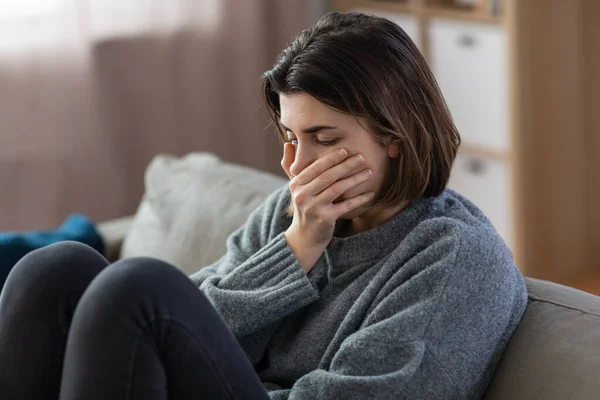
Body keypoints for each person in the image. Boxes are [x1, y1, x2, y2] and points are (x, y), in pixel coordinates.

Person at [0, 12, 527, 400]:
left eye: (323, 137)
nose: (297, 165)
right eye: (291, 137)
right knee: (53, 269)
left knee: (137, 287)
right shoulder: (289, 214)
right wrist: (295, 250)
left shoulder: (456, 259)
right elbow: (196, 330)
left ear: (394, 134)